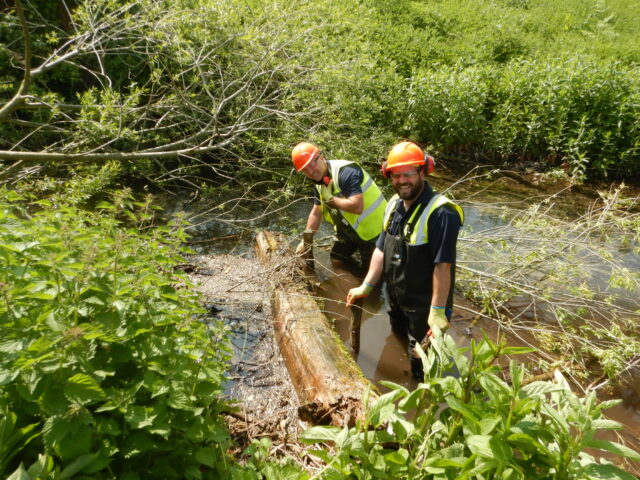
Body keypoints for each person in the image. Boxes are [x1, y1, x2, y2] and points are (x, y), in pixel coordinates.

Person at [346, 141, 464, 380]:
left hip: (425, 307)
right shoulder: (394, 204)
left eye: (408, 174)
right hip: (397, 296)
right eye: (396, 175)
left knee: (423, 363)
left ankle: (425, 398)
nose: (402, 181)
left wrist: (438, 312)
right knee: (395, 338)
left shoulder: (441, 213)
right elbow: (381, 248)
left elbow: (443, 266)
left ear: (422, 172)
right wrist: (366, 285)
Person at [292, 142, 387, 269]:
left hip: (374, 232)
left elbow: (357, 207)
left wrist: (330, 199)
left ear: (321, 157)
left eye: (312, 164)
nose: (311, 171)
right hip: (348, 230)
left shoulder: (346, 172)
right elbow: (316, 212)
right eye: (305, 169)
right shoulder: (319, 181)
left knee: (371, 273)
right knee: (337, 259)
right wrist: (306, 239)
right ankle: (349, 283)